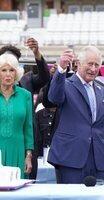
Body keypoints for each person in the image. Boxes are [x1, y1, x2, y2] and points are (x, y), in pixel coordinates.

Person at [47, 46, 104, 184]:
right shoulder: (65, 84)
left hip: (99, 158)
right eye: (90, 63)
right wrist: (61, 70)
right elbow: (54, 98)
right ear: (78, 63)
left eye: (97, 65)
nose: (93, 68)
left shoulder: (101, 89)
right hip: (71, 157)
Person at [0, 38, 50, 179]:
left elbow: (45, 77)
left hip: (27, 141)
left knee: (28, 181)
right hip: (1, 141)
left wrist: (37, 53)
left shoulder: (27, 80)